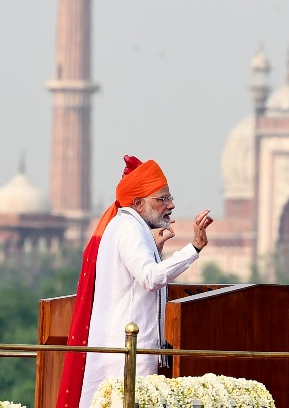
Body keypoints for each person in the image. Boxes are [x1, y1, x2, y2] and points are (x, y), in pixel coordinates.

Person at [56, 155, 214, 408]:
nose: (171, 205)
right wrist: (194, 247)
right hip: (128, 351)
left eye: (170, 197)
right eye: (162, 199)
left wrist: (155, 250)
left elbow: (134, 278)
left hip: (125, 347)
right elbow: (150, 278)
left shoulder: (126, 226)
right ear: (138, 203)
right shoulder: (130, 229)